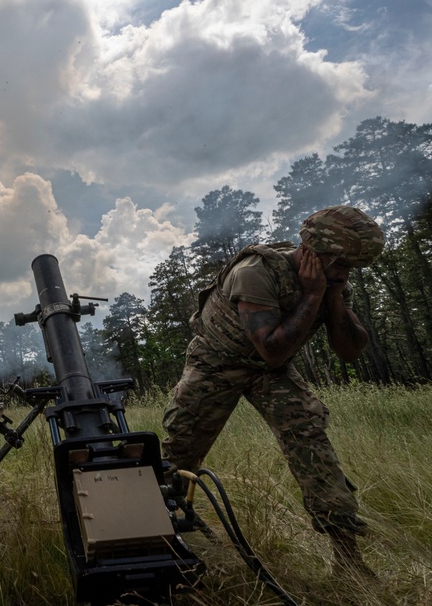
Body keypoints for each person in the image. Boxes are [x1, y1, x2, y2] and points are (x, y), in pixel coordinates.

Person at [162, 205, 385, 575]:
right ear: (314, 252)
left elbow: (350, 351)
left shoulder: (327, 280)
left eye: (351, 269)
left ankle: (348, 561)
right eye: (341, 265)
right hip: (217, 364)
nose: (346, 274)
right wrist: (313, 296)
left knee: (310, 440)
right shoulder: (255, 274)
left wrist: (332, 297)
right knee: (179, 452)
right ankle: (155, 538)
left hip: (268, 369)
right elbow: (274, 347)